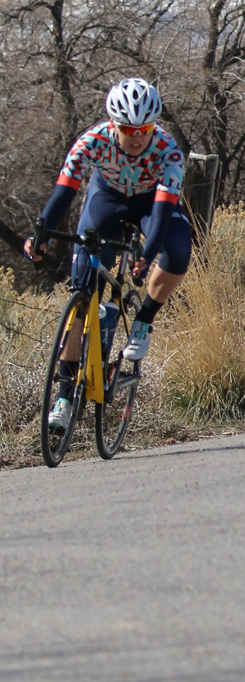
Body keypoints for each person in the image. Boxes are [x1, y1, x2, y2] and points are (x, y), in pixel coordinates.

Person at [24, 79, 191, 428]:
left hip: (150, 203)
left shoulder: (168, 150)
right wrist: (40, 236)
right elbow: (63, 194)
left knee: (176, 249)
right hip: (108, 199)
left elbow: (160, 215)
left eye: (143, 128)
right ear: (113, 124)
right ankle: (64, 396)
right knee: (82, 293)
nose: (136, 137)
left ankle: (144, 319)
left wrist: (147, 254)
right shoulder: (92, 141)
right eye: (128, 128)